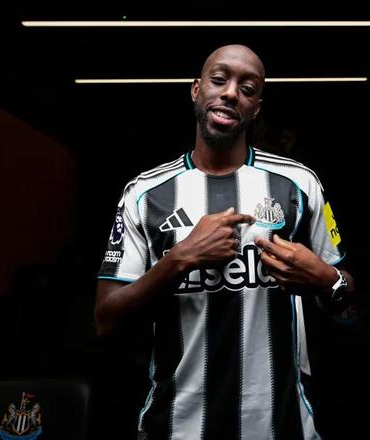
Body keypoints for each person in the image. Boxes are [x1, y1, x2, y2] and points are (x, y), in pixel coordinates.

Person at [95, 44, 355, 440]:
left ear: (256, 108)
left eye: (247, 89)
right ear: (196, 90)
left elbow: (344, 293)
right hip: (177, 426)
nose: (231, 93)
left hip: (281, 425)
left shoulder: (299, 183)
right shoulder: (144, 193)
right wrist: (179, 259)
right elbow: (106, 321)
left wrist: (327, 280)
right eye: (219, 80)